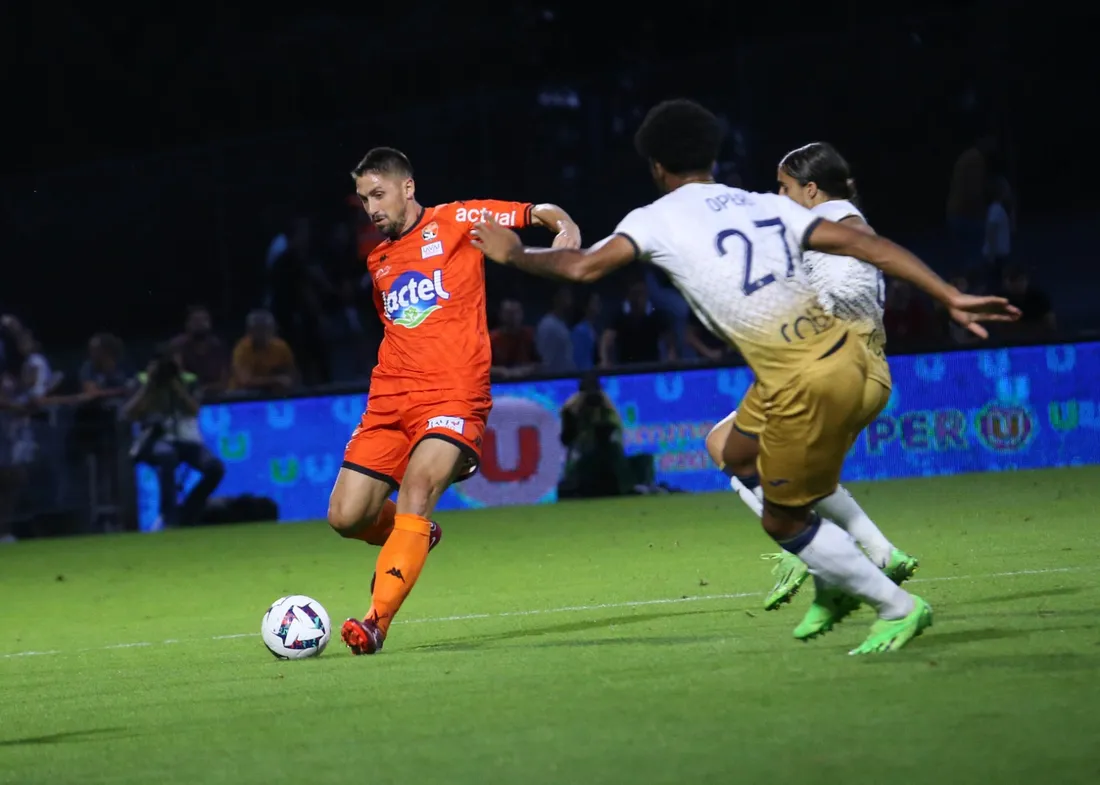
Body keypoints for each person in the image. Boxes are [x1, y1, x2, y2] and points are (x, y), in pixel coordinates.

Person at [472, 100, 1019, 655]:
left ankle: (894, 604)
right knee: (732, 453)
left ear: (657, 167)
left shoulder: (653, 218)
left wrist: (515, 254)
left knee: (784, 523)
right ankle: (837, 579)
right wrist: (949, 295)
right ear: (712, 155)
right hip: (839, 359)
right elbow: (862, 242)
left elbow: (583, 266)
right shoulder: (765, 205)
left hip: (803, 381)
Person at [331, 147, 581, 655]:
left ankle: (375, 621)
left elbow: (536, 212)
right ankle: (418, 534)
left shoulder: (457, 220)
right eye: (363, 199)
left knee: (418, 486)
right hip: (389, 401)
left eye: (378, 194)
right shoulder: (377, 260)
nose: (371, 208)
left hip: (453, 395)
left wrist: (565, 228)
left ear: (407, 188)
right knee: (347, 517)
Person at [702, 142, 918, 623]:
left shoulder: (838, 226)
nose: (780, 194)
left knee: (734, 451)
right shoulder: (840, 223)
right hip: (863, 368)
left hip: (835, 367)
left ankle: (813, 550)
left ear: (811, 188)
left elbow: (849, 289)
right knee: (779, 466)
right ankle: (877, 552)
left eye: (785, 186)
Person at [122, 347, 225, 529]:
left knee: (215, 468)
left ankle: (188, 513)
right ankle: (169, 517)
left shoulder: (189, 381)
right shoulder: (140, 382)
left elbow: (194, 410)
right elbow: (128, 414)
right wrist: (150, 386)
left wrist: (176, 387)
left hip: (188, 439)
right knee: (167, 456)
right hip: (156, 439)